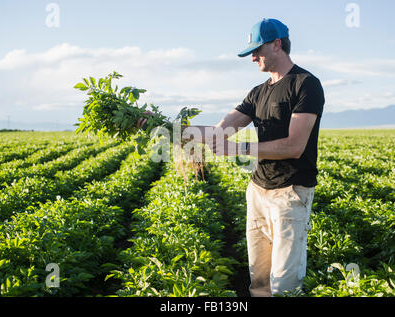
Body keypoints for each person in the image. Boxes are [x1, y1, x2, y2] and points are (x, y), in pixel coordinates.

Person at [138, 18, 325, 297]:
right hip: (258, 191)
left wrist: (239, 150)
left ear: (277, 44)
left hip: (291, 193)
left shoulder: (306, 85)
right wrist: (165, 126)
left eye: (256, 50)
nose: (252, 57)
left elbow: (294, 146)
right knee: (259, 280)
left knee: (285, 284)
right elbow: (218, 132)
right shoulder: (258, 92)